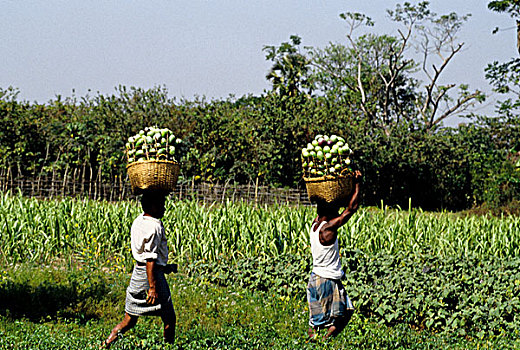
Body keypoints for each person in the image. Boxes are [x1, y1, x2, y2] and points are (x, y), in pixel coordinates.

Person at [101, 190, 177, 348]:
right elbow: (150, 259)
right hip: (151, 276)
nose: (164, 208)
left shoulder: (138, 221)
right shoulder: (155, 226)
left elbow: (143, 255)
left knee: (129, 320)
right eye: (161, 205)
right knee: (169, 318)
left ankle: (105, 344)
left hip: (138, 274)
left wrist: (166, 267)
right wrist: (152, 287)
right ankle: (169, 346)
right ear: (153, 206)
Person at [307, 170, 362, 341]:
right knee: (346, 312)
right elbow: (351, 209)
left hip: (314, 278)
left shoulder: (315, 224)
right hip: (327, 280)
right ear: (329, 210)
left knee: (315, 321)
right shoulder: (328, 228)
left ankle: (311, 342)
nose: (338, 211)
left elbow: (325, 207)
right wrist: (358, 184)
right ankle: (325, 342)